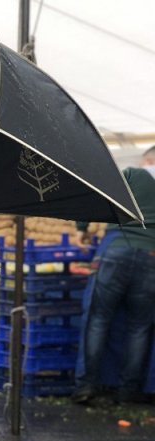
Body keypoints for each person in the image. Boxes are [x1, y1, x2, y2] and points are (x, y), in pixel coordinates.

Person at [72, 147, 155, 406]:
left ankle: (88, 386)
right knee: (139, 327)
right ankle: (129, 391)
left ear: (148, 159)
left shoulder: (132, 174)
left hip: (116, 251)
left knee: (98, 319)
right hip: (151, 259)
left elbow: (95, 194)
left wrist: (81, 229)